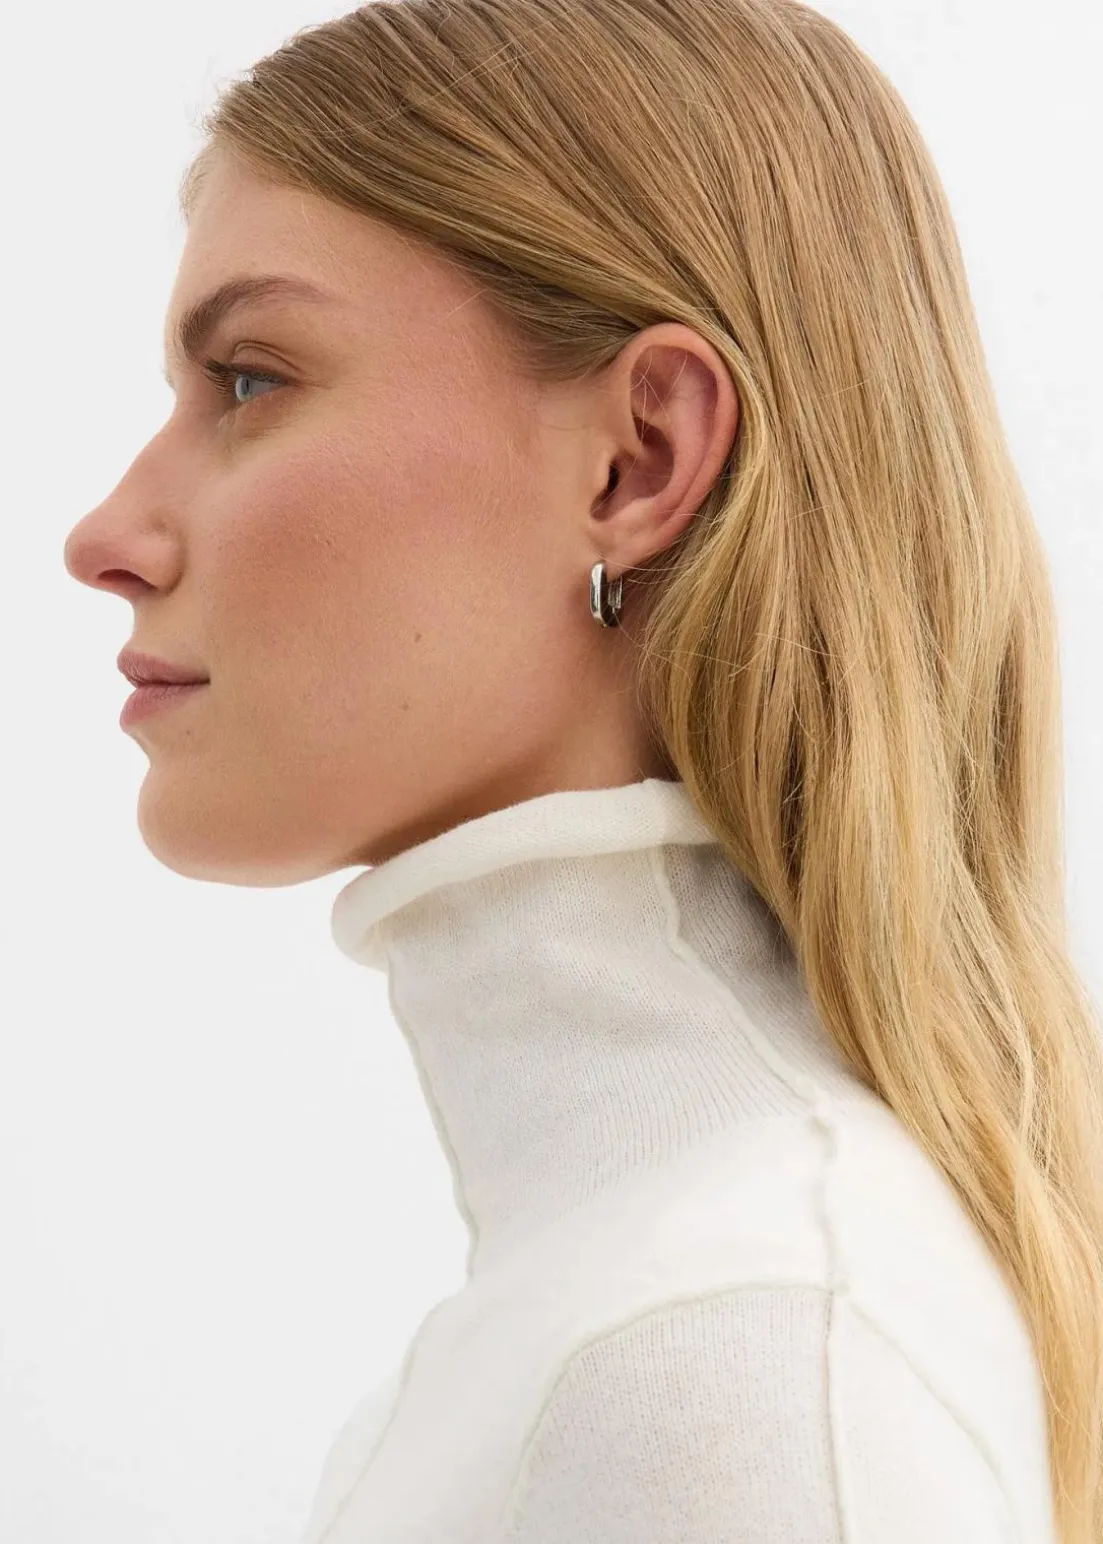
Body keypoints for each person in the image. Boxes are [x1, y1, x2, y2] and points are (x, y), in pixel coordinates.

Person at [62, 1, 1103, 1540]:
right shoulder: (638, 1318)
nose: (105, 539)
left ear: (639, 460)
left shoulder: (740, 1359)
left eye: (250, 380)